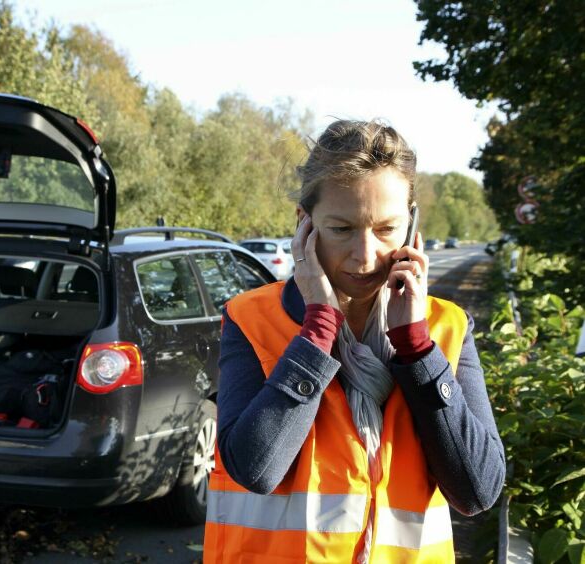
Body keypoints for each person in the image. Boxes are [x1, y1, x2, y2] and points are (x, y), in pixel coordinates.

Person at [203, 120, 505, 563]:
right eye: (341, 229)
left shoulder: (446, 328)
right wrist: (317, 330)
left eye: (386, 229)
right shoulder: (251, 319)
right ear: (305, 224)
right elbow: (256, 469)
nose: (365, 256)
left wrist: (418, 349)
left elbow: (478, 491)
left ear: (412, 226)